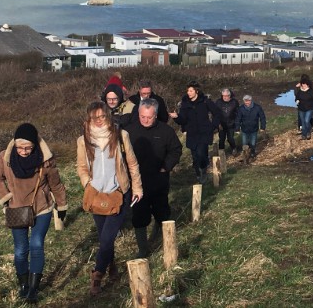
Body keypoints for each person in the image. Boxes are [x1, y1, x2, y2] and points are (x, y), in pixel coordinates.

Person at [0, 123, 68, 303]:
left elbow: (56, 184)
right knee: (20, 250)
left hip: (42, 208)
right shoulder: (5, 157)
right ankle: (23, 285)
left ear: (34, 145)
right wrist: (6, 196)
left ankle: (33, 288)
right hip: (16, 208)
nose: (24, 151)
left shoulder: (45, 159)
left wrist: (61, 206)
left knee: (36, 244)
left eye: (28, 148)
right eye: (20, 147)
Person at [76, 101, 143, 297]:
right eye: (93, 117)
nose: (98, 121)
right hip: (96, 195)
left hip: (118, 194)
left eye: (102, 116)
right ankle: (112, 266)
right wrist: (87, 184)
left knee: (107, 238)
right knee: (104, 236)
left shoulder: (121, 136)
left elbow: (132, 163)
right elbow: (81, 167)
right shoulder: (83, 140)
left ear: (108, 115)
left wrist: (137, 187)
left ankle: (97, 274)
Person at [126, 99, 182, 258]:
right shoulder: (129, 131)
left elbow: (176, 150)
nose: (145, 120)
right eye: (142, 116)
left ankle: (166, 243)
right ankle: (143, 249)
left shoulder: (166, 131)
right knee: (139, 216)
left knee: (162, 212)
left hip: (159, 181)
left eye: (149, 117)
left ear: (156, 115)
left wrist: (166, 166)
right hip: (138, 183)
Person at [169, 81, 224, 184]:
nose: (188, 93)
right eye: (187, 91)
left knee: (201, 153)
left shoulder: (205, 101)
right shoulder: (185, 104)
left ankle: (203, 170)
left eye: (191, 90)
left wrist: (213, 126)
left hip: (204, 132)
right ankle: (198, 173)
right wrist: (176, 117)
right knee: (195, 157)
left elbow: (217, 113)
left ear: (196, 91)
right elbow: (183, 120)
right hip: (192, 133)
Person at [215, 88, 240, 155]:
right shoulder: (218, 102)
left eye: (226, 96)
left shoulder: (234, 102)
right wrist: (217, 123)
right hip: (221, 124)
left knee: (230, 138)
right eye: (223, 96)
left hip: (231, 124)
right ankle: (221, 152)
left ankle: (234, 148)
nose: (225, 97)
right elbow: (215, 113)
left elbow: (238, 113)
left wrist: (237, 124)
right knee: (221, 139)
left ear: (229, 95)